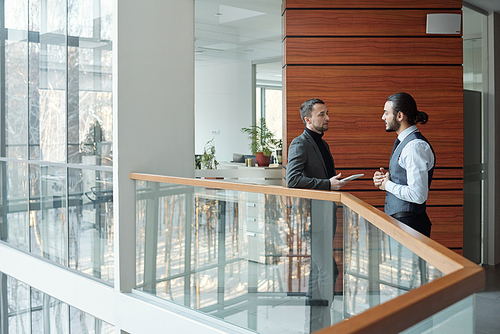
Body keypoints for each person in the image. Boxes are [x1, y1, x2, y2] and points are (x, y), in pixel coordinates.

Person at [286, 98, 345, 332]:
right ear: (308, 119)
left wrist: (332, 183)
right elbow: (293, 180)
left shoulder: (323, 144)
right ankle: (320, 320)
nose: (327, 118)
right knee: (326, 271)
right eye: (321, 114)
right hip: (313, 219)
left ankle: (317, 324)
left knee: (321, 271)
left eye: (327, 113)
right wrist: (327, 184)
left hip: (325, 216)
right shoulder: (299, 143)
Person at [373, 92, 436, 237]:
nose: (383, 117)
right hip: (403, 223)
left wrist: (387, 185)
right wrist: (387, 179)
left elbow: (418, 195)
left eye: (386, 113)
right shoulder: (405, 143)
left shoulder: (415, 146)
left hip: (409, 225)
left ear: (399, 116)